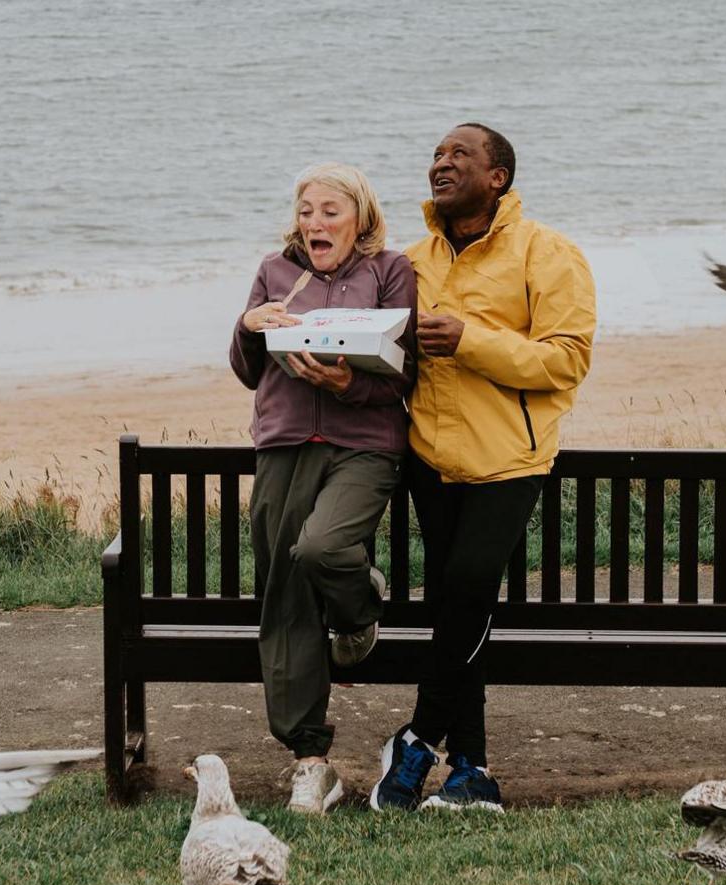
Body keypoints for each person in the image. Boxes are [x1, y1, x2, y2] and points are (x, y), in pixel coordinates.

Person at [369, 124, 597, 813]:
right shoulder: (407, 262)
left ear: (497, 177)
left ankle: (415, 741)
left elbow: (565, 360)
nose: (440, 164)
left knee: (467, 586)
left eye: (458, 156)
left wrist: (470, 340)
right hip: (430, 460)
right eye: (435, 156)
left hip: (510, 459)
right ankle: (471, 768)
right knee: (456, 609)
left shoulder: (548, 253)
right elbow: (387, 362)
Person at [227, 162, 416, 815]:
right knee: (286, 596)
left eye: (329, 210)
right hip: (283, 444)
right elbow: (249, 371)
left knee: (323, 550)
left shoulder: (390, 270)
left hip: (363, 446)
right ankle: (311, 759)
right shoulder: (275, 270)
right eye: (306, 210)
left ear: (360, 216)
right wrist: (248, 327)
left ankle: (361, 606)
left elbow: (404, 372)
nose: (314, 222)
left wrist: (348, 386)